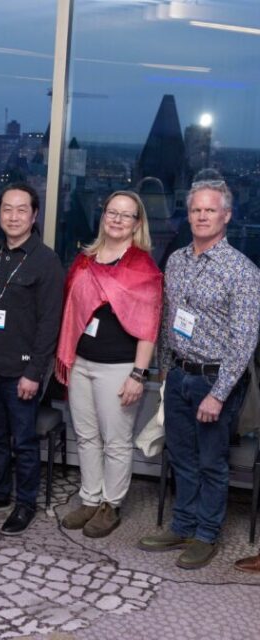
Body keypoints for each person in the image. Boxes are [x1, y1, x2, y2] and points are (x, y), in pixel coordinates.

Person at [139, 178, 260, 570]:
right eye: (196, 210)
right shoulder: (175, 260)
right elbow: (168, 320)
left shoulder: (241, 270)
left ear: (226, 215)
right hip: (178, 376)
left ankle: (206, 534)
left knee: (211, 462)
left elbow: (244, 341)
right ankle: (183, 524)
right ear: (187, 214)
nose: (202, 216)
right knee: (182, 458)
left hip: (215, 381)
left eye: (211, 209)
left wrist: (219, 393)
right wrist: (164, 369)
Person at [56, 191, 162, 538]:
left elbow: (149, 326)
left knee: (116, 441)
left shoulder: (143, 267)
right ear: (103, 217)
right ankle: (89, 498)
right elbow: (71, 311)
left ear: (137, 224)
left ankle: (110, 505)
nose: (116, 219)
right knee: (86, 436)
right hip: (82, 361)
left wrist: (137, 374)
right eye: (111, 212)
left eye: (125, 215)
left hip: (119, 367)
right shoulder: (85, 259)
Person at [0, 183, 64, 535]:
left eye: (22, 209)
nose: (14, 216)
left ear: (34, 215)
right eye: (7, 209)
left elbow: (50, 324)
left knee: (23, 439)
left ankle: (25, 504)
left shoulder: (47, 261)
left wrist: (34, 373)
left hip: (22, 371)